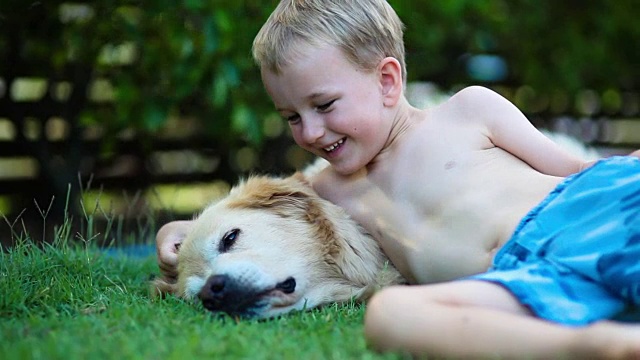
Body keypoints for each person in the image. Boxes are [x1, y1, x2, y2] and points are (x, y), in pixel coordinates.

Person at [156, 0, 640, 357]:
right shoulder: (329, 190)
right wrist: (179, 233)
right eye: (291, 117)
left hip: (585, 213)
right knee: (389, 316)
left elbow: (581, 172)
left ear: (388, 81)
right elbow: (262, 213)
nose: (310, 131)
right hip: (525, 276)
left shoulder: (469, 112)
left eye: (323, 105)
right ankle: (601, 346)